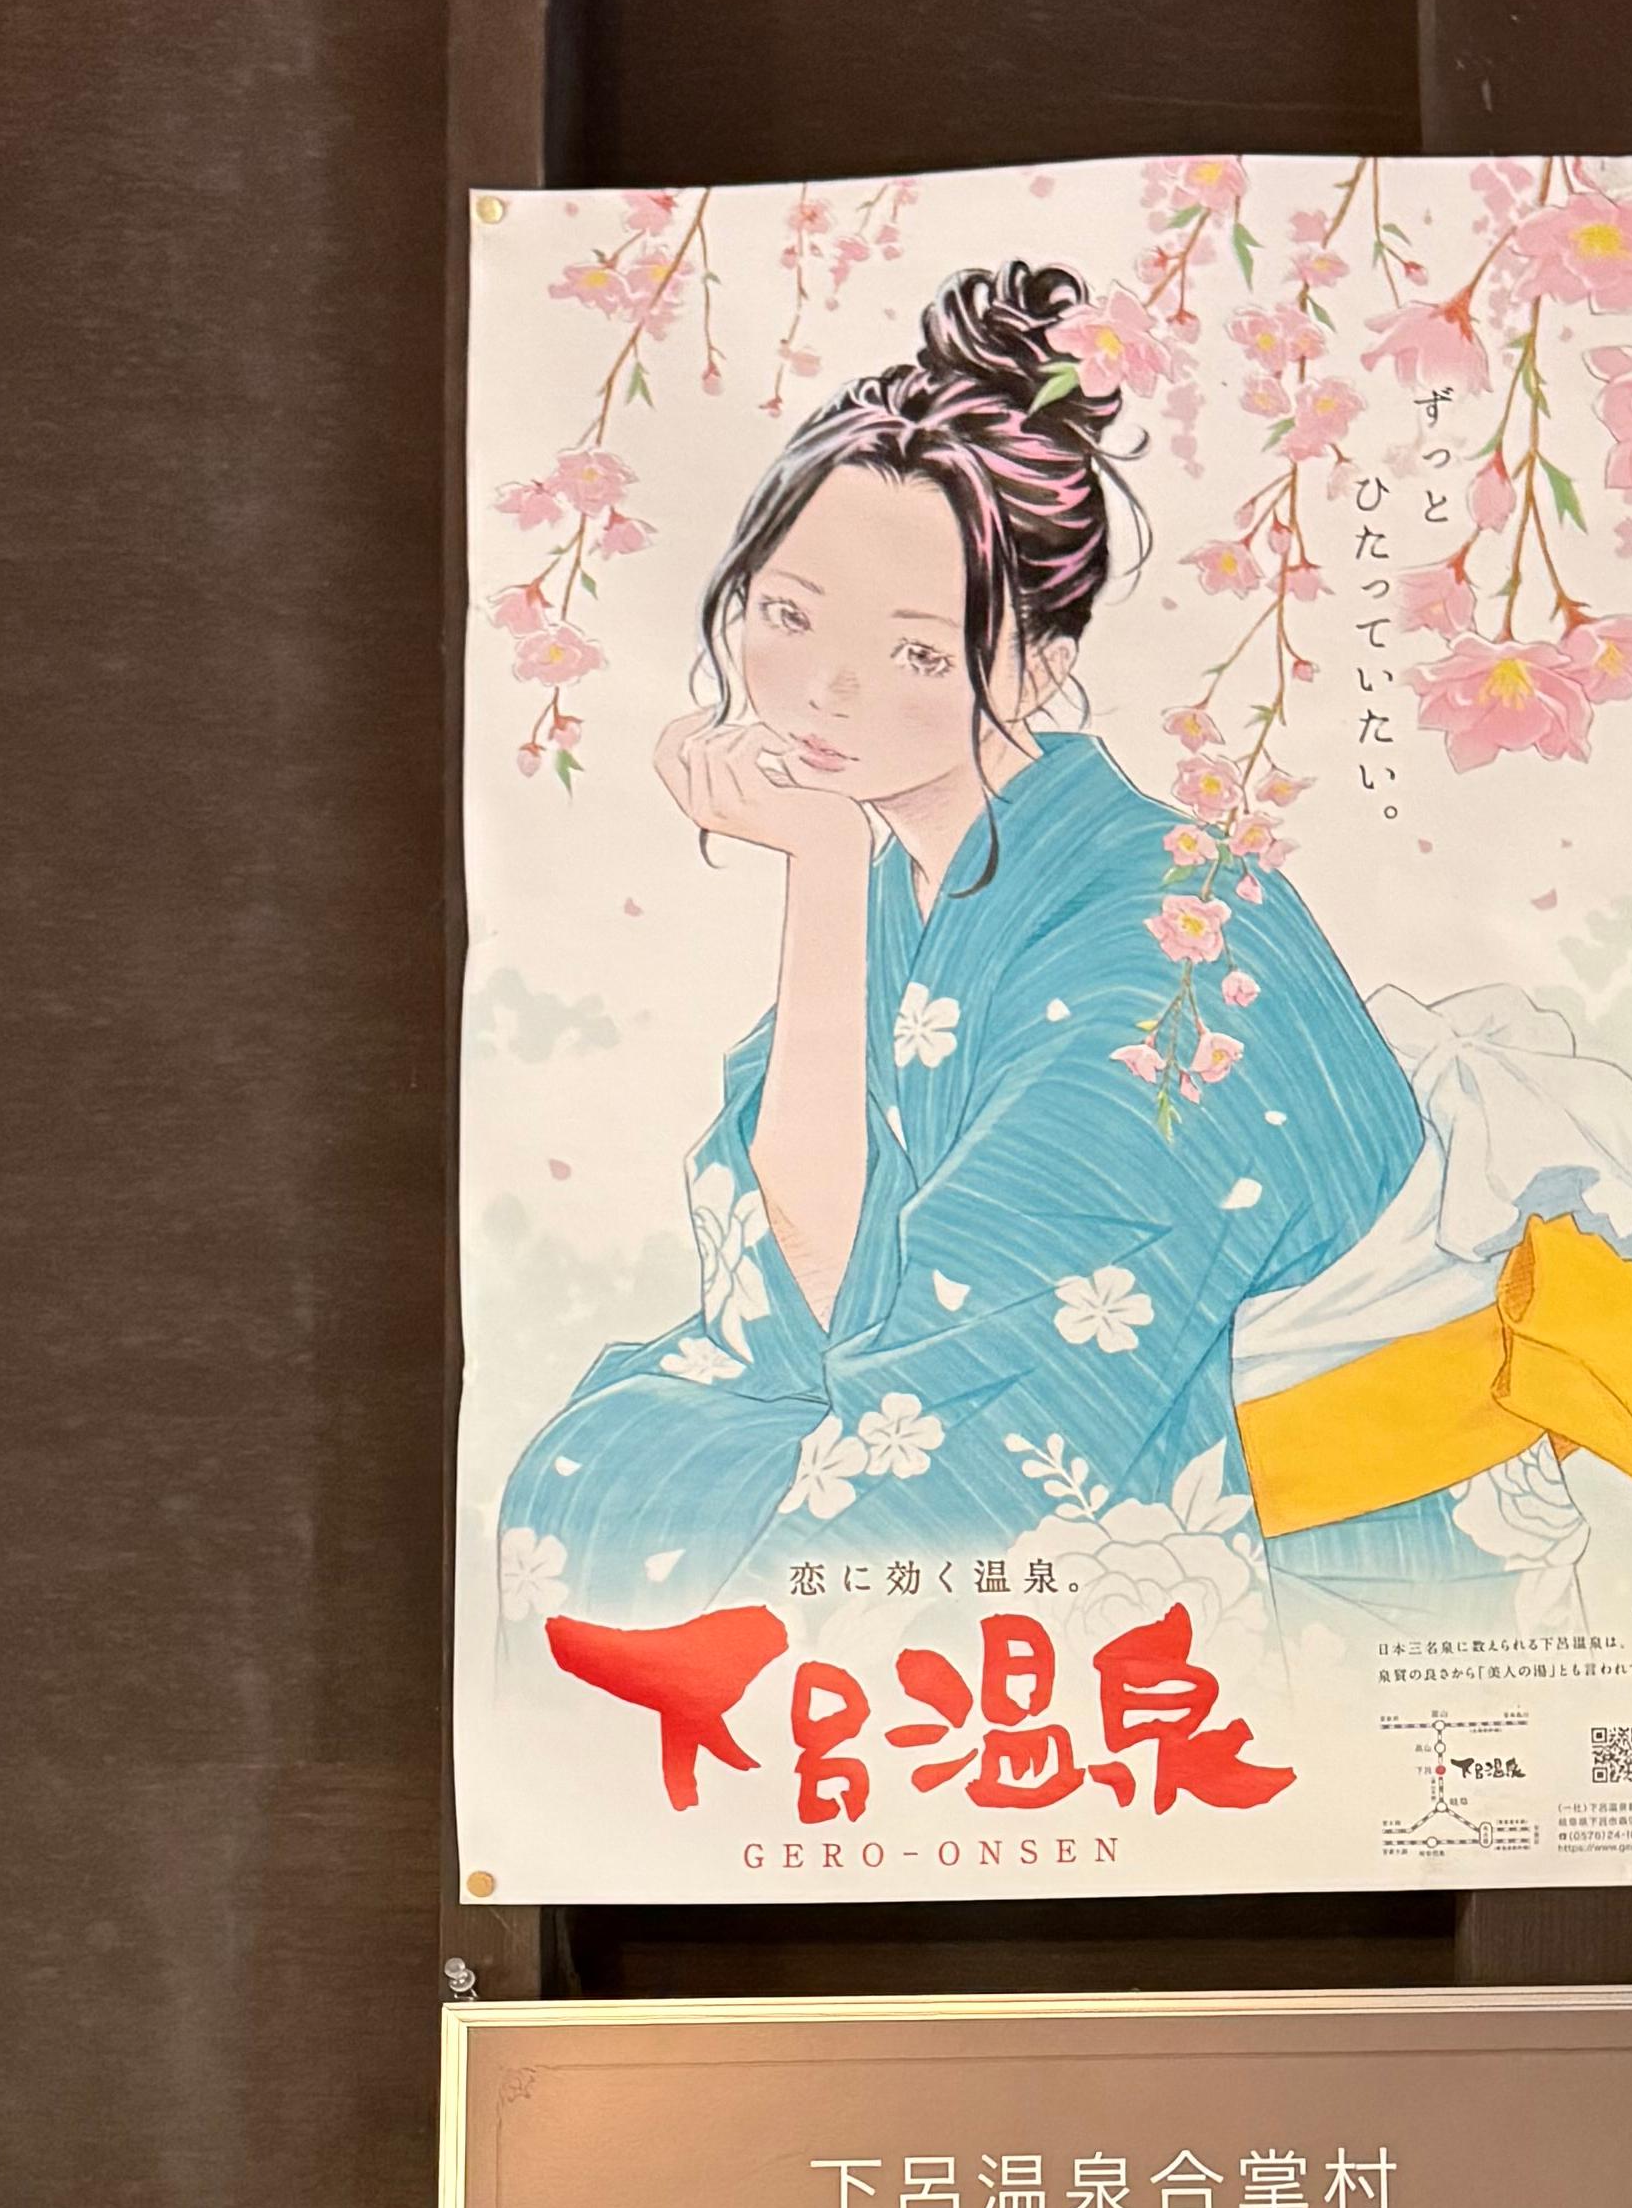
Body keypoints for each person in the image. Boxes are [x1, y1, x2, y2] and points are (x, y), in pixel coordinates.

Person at [496, 260, 1520, 1625]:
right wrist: (822, 871)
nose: (827, 690)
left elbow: (995, 1412)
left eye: (919, 653)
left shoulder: (1169, 953)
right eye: (788, 616)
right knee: (607, 1472)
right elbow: (803, 1305)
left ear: (1039, 666)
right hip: (976, 1430)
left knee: (694, 1549)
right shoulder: (894, 879)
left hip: (1296, 1578)